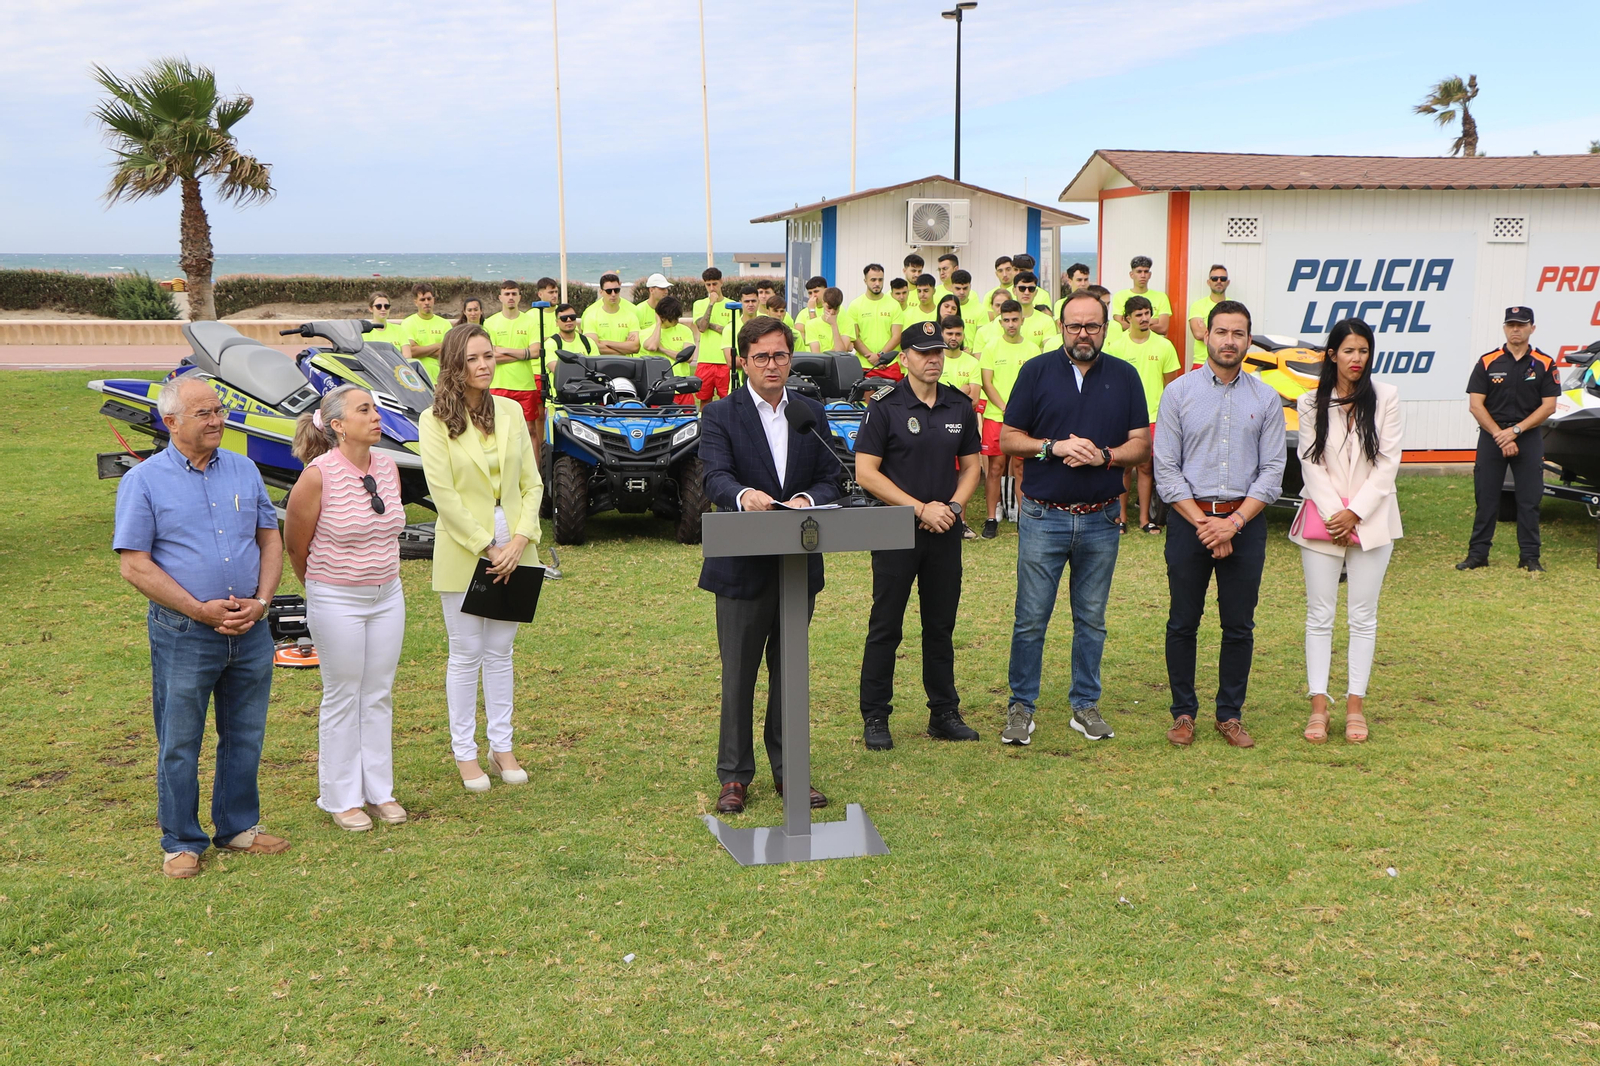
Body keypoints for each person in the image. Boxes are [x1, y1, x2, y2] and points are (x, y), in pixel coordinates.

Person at [113, 376, 289, 878]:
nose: (217, 421)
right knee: (180, 738)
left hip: (250, 628)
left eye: (219, 411)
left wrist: (261, 602)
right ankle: (181, 841)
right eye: (204, 414)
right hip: (185, 632)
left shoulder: (244, 469)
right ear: (171, 423)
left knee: (245, 732)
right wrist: (198, 609)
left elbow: (269, 540)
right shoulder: (144, 481)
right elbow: (134, 565)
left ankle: (237, 828)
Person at [697, 316, 843, 815]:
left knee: (789, 673)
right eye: (761, 357)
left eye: (780, 355)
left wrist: (806, 497)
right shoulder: (719, 414)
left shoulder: (810, 413)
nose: (772, 365)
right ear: (743, 362)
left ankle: (790, 772)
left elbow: (833, 475)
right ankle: (734, 776)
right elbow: (713, 474)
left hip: (797, 563)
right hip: (740, 565)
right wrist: (742, 495)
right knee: (739, 675)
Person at [994, 292, 1151, 748]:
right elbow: (1008, 438)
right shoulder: (1035, 371)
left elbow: (1140, 444)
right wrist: (1053, 447)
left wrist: (1106, 456)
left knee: (1091, 619)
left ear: (1107, 327)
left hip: (1102, 518)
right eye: (1074, 326)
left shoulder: (1124, 376)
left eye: (1093, 326)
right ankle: (1021, 707)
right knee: (1030, 619)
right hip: (1044, 517)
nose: (1083, 334)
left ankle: (1085, 705)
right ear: (1060, 327)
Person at [1154, 300, 1285, 749]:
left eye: (1238, 333)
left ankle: (1229, 714)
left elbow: (1272, 471)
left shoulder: (1265, 397)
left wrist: (1232, 524)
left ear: (1249, 340)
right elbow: (1166, 468)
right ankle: (1183, 713)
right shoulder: (1178, 393)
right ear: (1205, 336)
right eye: (1222, 332)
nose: (1230, 341)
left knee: (1239, 625)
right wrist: (1206, 523)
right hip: (1190, 523)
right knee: (1182, 622)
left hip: (1244, 525)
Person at [419, 325, 544, 791]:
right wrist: (486, 545)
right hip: (463, 547)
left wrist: (519, 539)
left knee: (501, 652)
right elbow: (443, 495)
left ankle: (501, 746)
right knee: (466, 652)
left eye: (489, 356)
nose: (485, 365)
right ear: (455, 365)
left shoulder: (511, 411)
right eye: (474, 358)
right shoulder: (434, 420)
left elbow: (532, 483)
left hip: (516, 544)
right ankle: (464, 753)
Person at [854, 321, 984, 750]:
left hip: (944, 529)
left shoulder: (958, 405)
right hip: (895, 528)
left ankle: (944, 712)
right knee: (886, 625)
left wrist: (953, 508)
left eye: (939, 352)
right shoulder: (885, 405)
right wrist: (918, 508)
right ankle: (875, 715)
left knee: (940, 625)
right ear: (904, 356)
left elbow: (971, 467)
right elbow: (866, 473)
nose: (933, 359)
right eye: (923, 352)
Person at [284, 384, 408, 831]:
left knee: (378, 693)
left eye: (375, 408)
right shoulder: (317, 475)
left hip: (387, 595)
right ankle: (340, 796)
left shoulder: (389, 467)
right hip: (336, 597)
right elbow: (296, 547)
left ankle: (379, 791)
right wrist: (324, 591)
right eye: (364, 410)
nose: (375, 416)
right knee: (343, 694)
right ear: (338, 425)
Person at [1292, 318, 1404, 745]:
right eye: (1349, 351)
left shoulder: (1387, 397)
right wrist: (1335, 513)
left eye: (1364, 351)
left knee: (1363, 617)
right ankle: (1318, 706)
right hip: (1323, 521)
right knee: (1319, 616)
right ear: (1332, 354)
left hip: (1373, 520)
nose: (1357, 359)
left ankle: (1355, 704)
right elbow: (1310, 462)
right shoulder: (1309, 402)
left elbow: (1388, 463)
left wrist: (1354, 513)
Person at [1459, 306, 1561, 572]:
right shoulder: (1487, 361)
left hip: (1527, 438)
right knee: (1486, 498)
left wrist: (1515, 432)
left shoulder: (1545, 363)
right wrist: (1500, 435)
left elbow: (1548, 406)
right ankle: (1477, 555)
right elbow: (1475, 405)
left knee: (1529, 500)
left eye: (1521, 325)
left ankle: (1530, 557)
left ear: (1532, 328)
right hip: (1492, 437)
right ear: (1505, 328)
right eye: (1511, 325)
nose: (1516, 329)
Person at [1107, 295, 1181, 532]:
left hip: (1153, 417)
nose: (1144, 318)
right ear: (1127, 319)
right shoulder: (1116, 346)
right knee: (1123, 467)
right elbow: (1108, 384)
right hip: (1122, 418)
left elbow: (1172, 386)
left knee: (1147, 468)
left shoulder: (1164, 345)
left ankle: (1144, 519)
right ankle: (1121, 518)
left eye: (1147, 313)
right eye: (1138, 314)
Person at [978, 300, 1041, 538]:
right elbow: (987, 382)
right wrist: (1005, 407)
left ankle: (1023, 518)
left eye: (1015, 319)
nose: (1011, 324)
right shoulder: (992, 347)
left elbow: (1038, 385)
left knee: (1021, 466)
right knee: (995, 468)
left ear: (1022, 319)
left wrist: (1019, 411)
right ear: (999, 320)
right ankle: (991, 517)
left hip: (1024, 419)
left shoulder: (1033, 349)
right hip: (996, 416)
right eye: (1006, 320)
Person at [485, 280, 543, 437]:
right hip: (498, 385)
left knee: (530, 430)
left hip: (525, 385)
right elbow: (490, 356)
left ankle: (535, 463)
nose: (510, 297)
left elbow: (536, 352)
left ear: (519, 297)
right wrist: (523, 355)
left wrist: (503, 350)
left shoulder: (530, 321)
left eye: (514, 294)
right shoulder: (490, 323)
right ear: (500, 297)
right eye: (507, 294)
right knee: (497, 431)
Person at [845, 264, 903, 375]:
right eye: (873, 280)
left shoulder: (894, 304)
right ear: (865, 281)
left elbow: (897, 336)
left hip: (889, 364)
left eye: (880, 280)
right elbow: (855, 337)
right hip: (864, 365)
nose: (877, 283)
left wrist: (881, 356)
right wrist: (872, 357)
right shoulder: (855, 305)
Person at [641, 295, 696, 401]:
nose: (676, 321)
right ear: (662, 317)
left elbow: (688, 358)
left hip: (682, 388)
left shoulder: (685, 331)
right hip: (661, 389)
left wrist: (662, 349)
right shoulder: (646, 333)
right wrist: (658, 324)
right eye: (673, 319)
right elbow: (652, 346)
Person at [692, 266, 733, 402]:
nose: (712, 288)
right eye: (708, 285)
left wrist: (712, 325)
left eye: (714, 284)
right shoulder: (699, 304)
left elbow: (729, 331)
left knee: (727, 400)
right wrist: (711, 304)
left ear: (721, 282)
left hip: (725, 361)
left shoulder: (732, 305)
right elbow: (702, 327)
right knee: (704, 399)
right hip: (705, 361)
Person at [401, 283, 452, 382]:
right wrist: (437, 345)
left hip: (442, 381)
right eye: (422, 299)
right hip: (418, 380)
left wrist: (422, 350)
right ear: (416, 302)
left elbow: (449, 353)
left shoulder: (445, 324)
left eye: (429, 299)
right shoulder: (408, 323)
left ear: (434, 300)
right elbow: (411, 351)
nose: (426, 302)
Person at [582, 272, 640, 356]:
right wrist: (625, 348)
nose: (613, 294)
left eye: (616, 290)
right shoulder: (591, 316)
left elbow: (635, 347)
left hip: (626, 366)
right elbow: (593, 346)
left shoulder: (631, 316)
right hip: (600, 366)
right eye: (609, 291)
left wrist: (606, 342)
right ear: (601, 292)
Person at [1112, 256, 1171, 337]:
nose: (1143, 275)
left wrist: (1133, 323)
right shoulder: (1119, 296)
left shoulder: (1161, 297)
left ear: (1150, 275)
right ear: (1131, 275)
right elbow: (1119, 326)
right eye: (1139, 272)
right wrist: (1154, 321)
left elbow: (1163, 328)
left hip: (1153, 345)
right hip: (1127, 345)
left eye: (1146, 272)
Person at [1187, 265, 1230, 367]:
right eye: (1214, 278)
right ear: (1208, 282)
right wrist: (1227, 333)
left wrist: (1207, 330)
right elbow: (1198, 334)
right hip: (1202, 362)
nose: (1219, 281)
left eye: (1223, 279)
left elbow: (1239, 334)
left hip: (1227, 363)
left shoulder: (1235, 307)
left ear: (1228, 282)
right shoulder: (1198, 306)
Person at [1013, 272, 1058, 352]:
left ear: (1036, 292)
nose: (1026, 292)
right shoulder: (1003, 320)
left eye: (1031, 289)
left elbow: (1049, 351)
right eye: (1022, 288)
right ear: (1014, 291)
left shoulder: (1047, 321)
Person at [803, 286, 850, 354]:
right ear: (823, 303)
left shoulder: (848, 323)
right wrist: (834, 350)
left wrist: (834, 325)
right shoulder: (811, 324)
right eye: (829, 308)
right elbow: (816, 354)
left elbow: (841, 353)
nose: (832, 312)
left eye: (836, 308)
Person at [949, 269, 987, 340]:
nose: (962, 292)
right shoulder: (945, 308)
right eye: (958, 288)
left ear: (970, 287)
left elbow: (983, 338)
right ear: (951, 288)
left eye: (965, 288)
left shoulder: (980, 309)